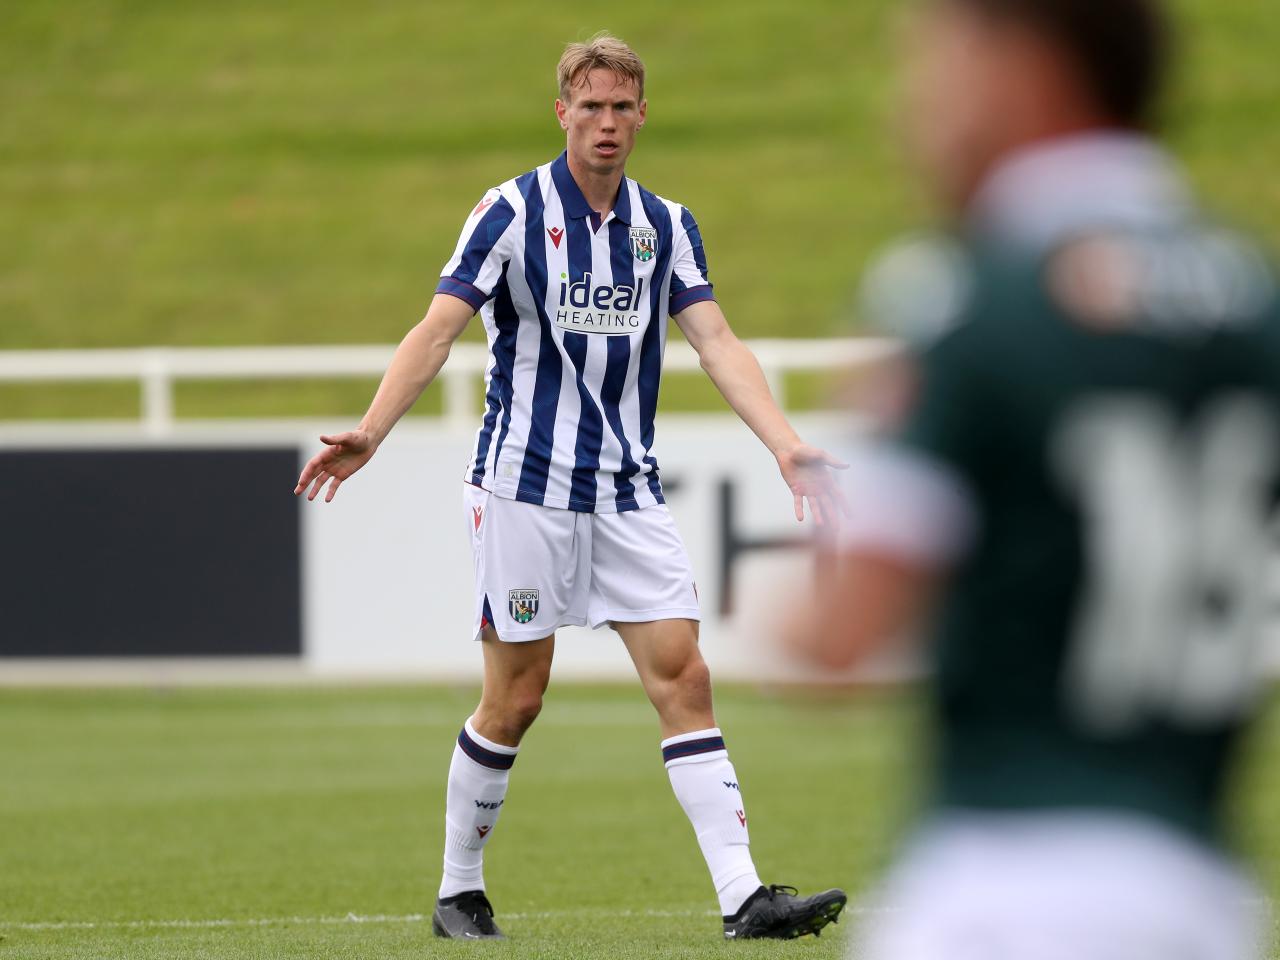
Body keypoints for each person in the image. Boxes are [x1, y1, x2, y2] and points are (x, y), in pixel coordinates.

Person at [295, 33, 847, 942]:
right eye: (589, 106)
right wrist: (372, 429)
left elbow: (716, 341)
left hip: (628, 490)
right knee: (518, 696)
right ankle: (458, 890)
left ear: (641, 117)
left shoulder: (665, 224)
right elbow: (437, 329)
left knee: (687, 679)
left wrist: (787, 445)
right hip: (524, 487)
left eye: (622, 107)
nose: (606, 123)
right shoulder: (510, 212)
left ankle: (745, 899)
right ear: (563, 113)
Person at [788, 0, 1278, 956]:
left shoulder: (973, 293)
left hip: (1007, 885)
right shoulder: (1251, 299)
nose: (913, 108)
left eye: (938, 64)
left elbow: (833, 642)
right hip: (1203, 894)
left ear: (1024, 67)